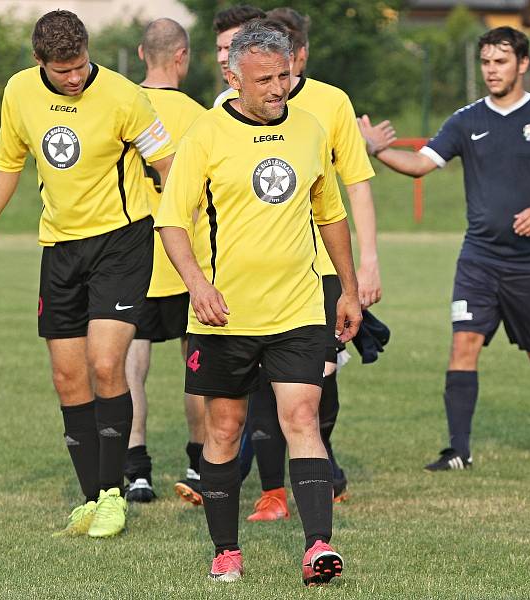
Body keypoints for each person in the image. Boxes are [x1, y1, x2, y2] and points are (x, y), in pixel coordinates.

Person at [155, 21, 361, 585]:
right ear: (232, 76)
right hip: (226, 316)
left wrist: (345, 287)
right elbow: (172, 220)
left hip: (297, 309)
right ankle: (226, 550)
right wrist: (198, 284)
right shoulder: (205, 136)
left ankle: (318, 547)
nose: (279, 88)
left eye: (286, 76)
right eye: (266, 79)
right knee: (224, 428)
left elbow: (331, 215)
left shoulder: (312, 130)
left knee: (302, 418)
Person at [0, 10, 175, 537]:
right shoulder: (18, 92)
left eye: (80, 66)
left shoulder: (125, 96)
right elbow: (8, 161)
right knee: (67, 377)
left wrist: (189, 233)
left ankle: (113, 493)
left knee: (107, 364)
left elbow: (170, 166)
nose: (75, 77)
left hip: (122, 242)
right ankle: (90, 498)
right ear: (40, 62)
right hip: (59, 247)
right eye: (63, 71)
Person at [359, 26, 530, 470]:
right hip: (479, 259)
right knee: (463, 344)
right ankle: (458, 450)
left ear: (522, 64)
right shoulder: (466, 120)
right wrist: (378, 152)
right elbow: (421, 164)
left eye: (500, 62)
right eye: (485, 62)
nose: (491, 70)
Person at [240, 8, 382, 523]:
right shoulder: (231, 107)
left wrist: (367, 263)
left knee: (320, 380)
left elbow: (356, 184)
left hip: (321, 267)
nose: (277, 79)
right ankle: (272, 490)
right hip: (254, 273)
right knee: (260, 378)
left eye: (285, 64)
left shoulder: (330, 103)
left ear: (298, 55)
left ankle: (323, 467)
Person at [171, 4, 267, 501]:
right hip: (227, 285)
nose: (227, 59)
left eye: (235, 48)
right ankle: (217, 480)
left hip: (294, 279)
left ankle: (318, 481)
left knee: (300, 397)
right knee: (232, 403)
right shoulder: (211, 119)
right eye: (222, 50)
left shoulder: (301, 113)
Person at [122, 19, 207, 503]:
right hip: (187, 259)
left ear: (140, 53)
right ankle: (198, 467)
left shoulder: (123, 106)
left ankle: (136, 471)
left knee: (133, 367)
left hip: (131, 258)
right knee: (195, 366)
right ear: (183, 57)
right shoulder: (199, 117)